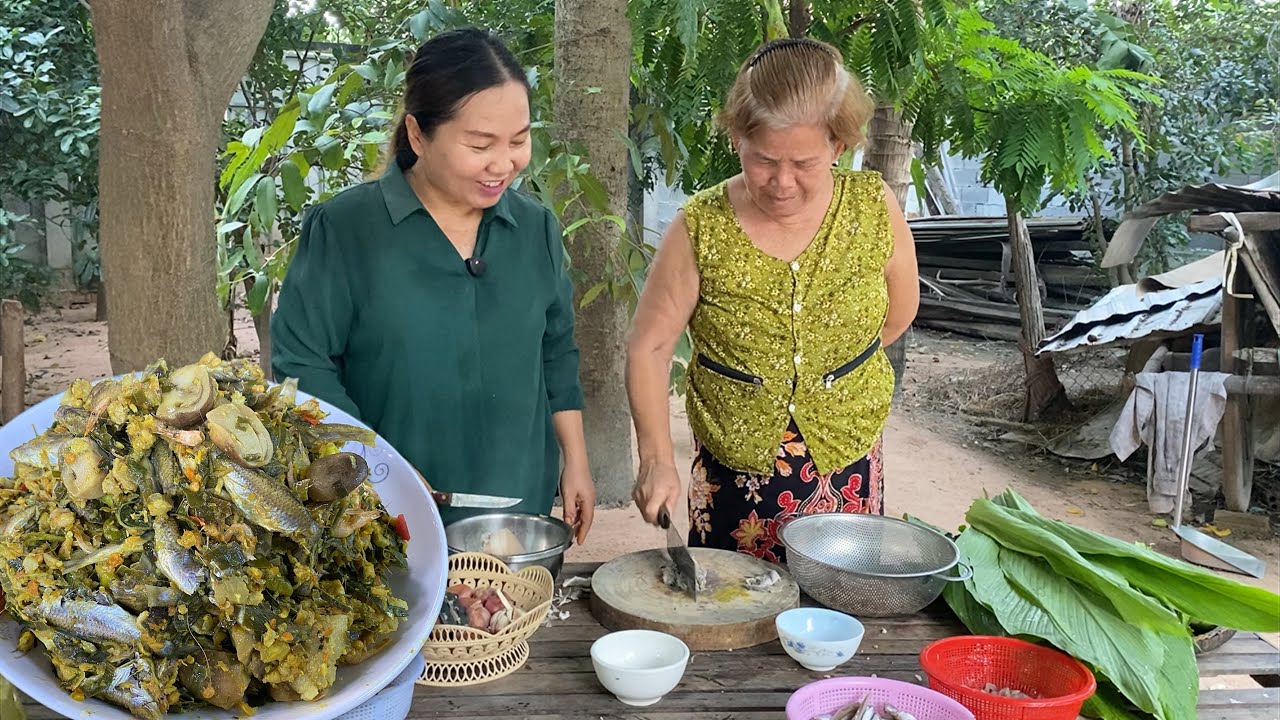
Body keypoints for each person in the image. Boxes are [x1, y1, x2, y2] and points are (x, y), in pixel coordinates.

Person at [271, 28, 595, 542]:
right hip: (385, 517)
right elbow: (303, 366)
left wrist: (576, 461)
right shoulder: (347, 229)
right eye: (479, 145)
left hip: (516, 513)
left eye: (518, 140)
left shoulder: (536, 229)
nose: (504, 163)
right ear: (418, 135)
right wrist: (382, 470)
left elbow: (556, 351)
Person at [626, 37, 919, 563]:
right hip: (734, 476)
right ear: (738, 138)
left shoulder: (873, 209)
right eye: (764, 160)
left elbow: (898, 314)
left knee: (837, 607)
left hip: (846, 459)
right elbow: (649, 347)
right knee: (728, 610)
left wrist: (829, 372)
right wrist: (655, 458)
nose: (782, 182)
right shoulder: (701, 226)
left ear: (837, 144)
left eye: (804, 162)